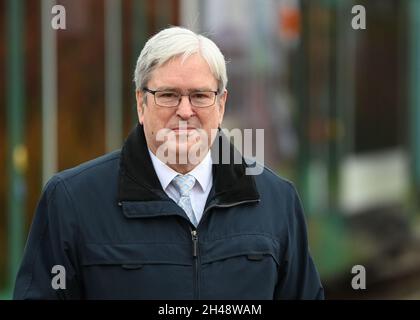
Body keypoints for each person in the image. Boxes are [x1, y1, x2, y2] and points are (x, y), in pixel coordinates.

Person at [13, 26, 324, 299]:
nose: (185, 111)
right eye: (168, 95)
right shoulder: (71, 200)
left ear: (221, 105)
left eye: (200, 96)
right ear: (141, 103)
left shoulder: (276, 200)